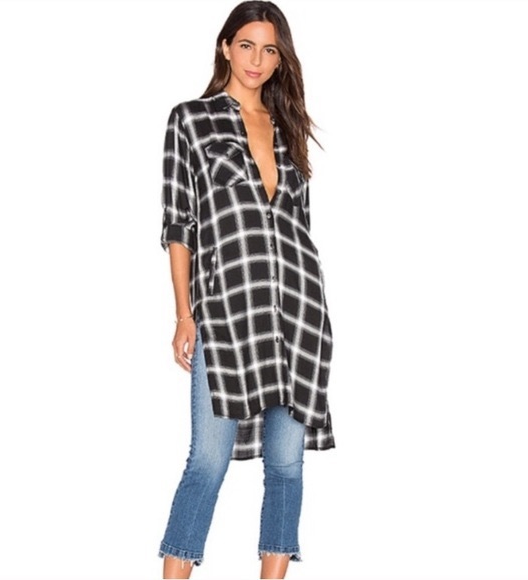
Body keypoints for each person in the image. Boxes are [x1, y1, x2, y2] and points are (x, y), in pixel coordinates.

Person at [157, 1, 334, 578]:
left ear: (281, 59)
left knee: (286, 465)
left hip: (298, 314)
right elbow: (180, 224)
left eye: (270, 49)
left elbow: (300, 227)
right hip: (228, 311)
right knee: (206, 461)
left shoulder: (289, 128)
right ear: (225, 47)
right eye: (247, 45)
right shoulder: (191, 121)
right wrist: (184, 314)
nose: (257, 59)